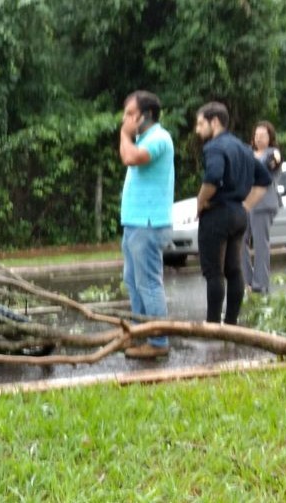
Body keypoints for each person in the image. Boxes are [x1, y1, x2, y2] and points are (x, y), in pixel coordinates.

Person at [193, 102, 272, 325]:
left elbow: (213, 177)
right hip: (238, 215)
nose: (198, 130)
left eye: (201, 124)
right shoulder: (243, 149)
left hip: (217, 215)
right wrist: (245, 205)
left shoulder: (215, 147)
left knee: (214, 272)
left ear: (214, 122)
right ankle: (231, 324)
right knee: (234, 270)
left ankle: (212, 326)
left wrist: (200, 202)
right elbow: (264, 179)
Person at [117, 90, 176, 359]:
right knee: (133, 280)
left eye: (131, 114)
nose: (125, 119)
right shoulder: (142, 138)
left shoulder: (159, 138)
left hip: (149, 225)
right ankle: (141, 334)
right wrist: (128, 135)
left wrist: (125, 134)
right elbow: (126, 154)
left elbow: (130, 157)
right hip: (134, 223)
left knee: (149, 283)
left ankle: (158, 341)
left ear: (146, 115)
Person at [242, 121, 283, 294]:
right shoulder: (248, 153)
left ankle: (260, 284)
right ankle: (247, 280)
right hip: (245, 202)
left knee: (260, 243)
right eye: (256, 135)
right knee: (238, 241)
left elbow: (270, 164)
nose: (259, 139)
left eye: (263, 136)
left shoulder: (274, 153)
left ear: (270, 138)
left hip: (264, 203)